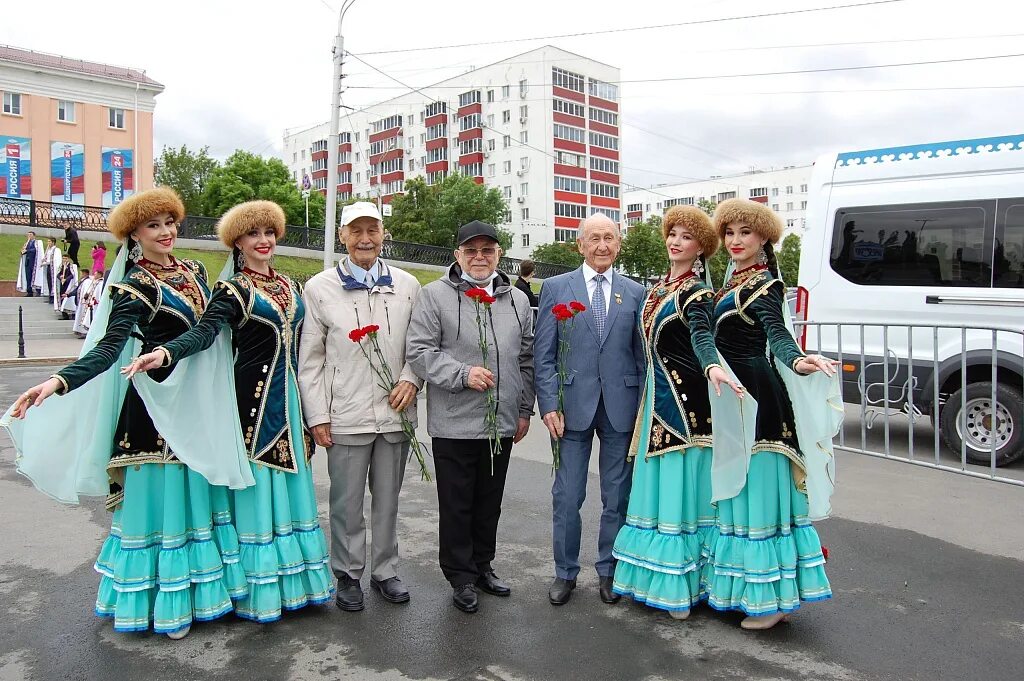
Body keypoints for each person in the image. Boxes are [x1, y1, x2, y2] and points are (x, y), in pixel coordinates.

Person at [2, 187, 254, 640]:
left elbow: (205, 335)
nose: (165, 232)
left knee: (198, 502)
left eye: (170, 223)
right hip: (154, 413)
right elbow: (107, 349)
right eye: (153, 225)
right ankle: (164, 606)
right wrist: (58, 382)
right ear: (134, 233)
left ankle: (202, 598)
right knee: (164, 508)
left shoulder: (195, 271)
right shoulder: (133, 286)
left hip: (197, 408)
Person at [126, 200, 334, 623]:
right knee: (258, 488)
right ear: (237, 242)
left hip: (289, 398)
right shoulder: (232, 290)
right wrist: (165, 353)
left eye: (269, 233)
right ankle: (256, 590)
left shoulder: (290, 285)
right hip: (251, 406)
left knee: (292, 486)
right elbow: (203, 334)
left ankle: (295, 584)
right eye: (253, 234)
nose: (263, 241)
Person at [705, 198, 841, 630]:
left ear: (764, 237)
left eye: (745, 232)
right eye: (729, 233)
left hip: (759, 404)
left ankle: (775, 599)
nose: (735, 241)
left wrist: (801, 361)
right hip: (733, 401)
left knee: (760, 497)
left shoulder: (765, 286)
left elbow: (778, 336)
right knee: (738, 496)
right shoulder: (729, 285)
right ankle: (746, 591)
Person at [609, 206, 742, 619]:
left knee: (680, 490)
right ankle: (657, 578)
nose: (675, 241)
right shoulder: (656, 290)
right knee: (657, 488)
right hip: (655, 400)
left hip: (685, 406)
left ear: (701, 248)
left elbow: (703, 337)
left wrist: (712, 365)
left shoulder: (696, 294)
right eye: (673, 233)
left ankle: (685, 587)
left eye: (686, 237)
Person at [297, 201, 422, 613]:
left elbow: (419, 346)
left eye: (373, 230)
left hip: (395, 413)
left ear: (383, 233)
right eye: (356, 231)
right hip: (345, 414)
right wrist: (317, 415)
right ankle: (348, 574)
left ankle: (385, 571)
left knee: (388, 499)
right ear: (342, 236)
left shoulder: (407, 284)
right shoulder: (318, 288)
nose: (365, 238)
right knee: (346, 503)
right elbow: (310, 359)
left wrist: (411, 378)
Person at [406, 220, 535, 614]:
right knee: (457, 503)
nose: (480, 257)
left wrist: (524, 408)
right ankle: (460, 575)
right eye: (471, 250)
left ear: (498, 254)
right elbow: (420, 352)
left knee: (489, 501)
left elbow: (526, 359)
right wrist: (462, 374)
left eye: (488, 250)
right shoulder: (434, 297)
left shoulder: (517, 300)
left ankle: (483, 565)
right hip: (455, 422)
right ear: (457, 255)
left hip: (500, 421)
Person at [534, 213, 646, 606]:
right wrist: (548, 403)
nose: (602, 245)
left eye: (609, 238)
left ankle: (609, 570)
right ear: (580, 245)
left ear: (618, 245)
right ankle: (565, 572)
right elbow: (543, 354)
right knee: (568, 495)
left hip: (622, 407)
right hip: (570, 408)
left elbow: (641, 357)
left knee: (617, 496)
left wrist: (644, 408)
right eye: (594, 238)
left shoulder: (635, 292)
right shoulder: (554, 287)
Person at [72, 269, 103, 338]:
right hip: (90, 303)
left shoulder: (100, 283)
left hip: (95, 304)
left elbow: (98, 294)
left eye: (95, 274)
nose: (94, 275)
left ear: (99, 275)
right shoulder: (93, 282)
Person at [16, 230, 43, 296]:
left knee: (36, 276)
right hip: (27, 262)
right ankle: (29, 291)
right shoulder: (27, 243)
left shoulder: (37, 243)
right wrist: (23, 251)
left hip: (34, 262)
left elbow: (35, 250)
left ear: (34, 236)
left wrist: (27, 251)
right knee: (28, 277)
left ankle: (37, 290)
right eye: (28, 235)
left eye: (30, 235)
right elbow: (24, 251)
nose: (29, 236)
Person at [42, 237, 61, 303]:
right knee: (49, 281)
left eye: (49, 241)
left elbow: (56, 260)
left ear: (53, 242)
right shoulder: (48, 250)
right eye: (48, 242)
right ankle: (50, 295)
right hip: (48, 267)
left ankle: (53, 297)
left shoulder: (56, 250)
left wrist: (47, 262)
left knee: (53, 282)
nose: (48, 243)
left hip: (53, 268)